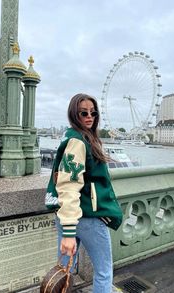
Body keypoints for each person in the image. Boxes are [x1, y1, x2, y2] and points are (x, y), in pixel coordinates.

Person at [45, 93, 123, 293]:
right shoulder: (78, 142)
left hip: (66, 215)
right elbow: (69, 186)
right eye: (84, 113)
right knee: (104, 272)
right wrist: (70, 232)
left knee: (64, 271)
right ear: (74, 114)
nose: (90, 116)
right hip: (87, 216)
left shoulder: (74, 137)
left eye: (93, 112)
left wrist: (68, 229)